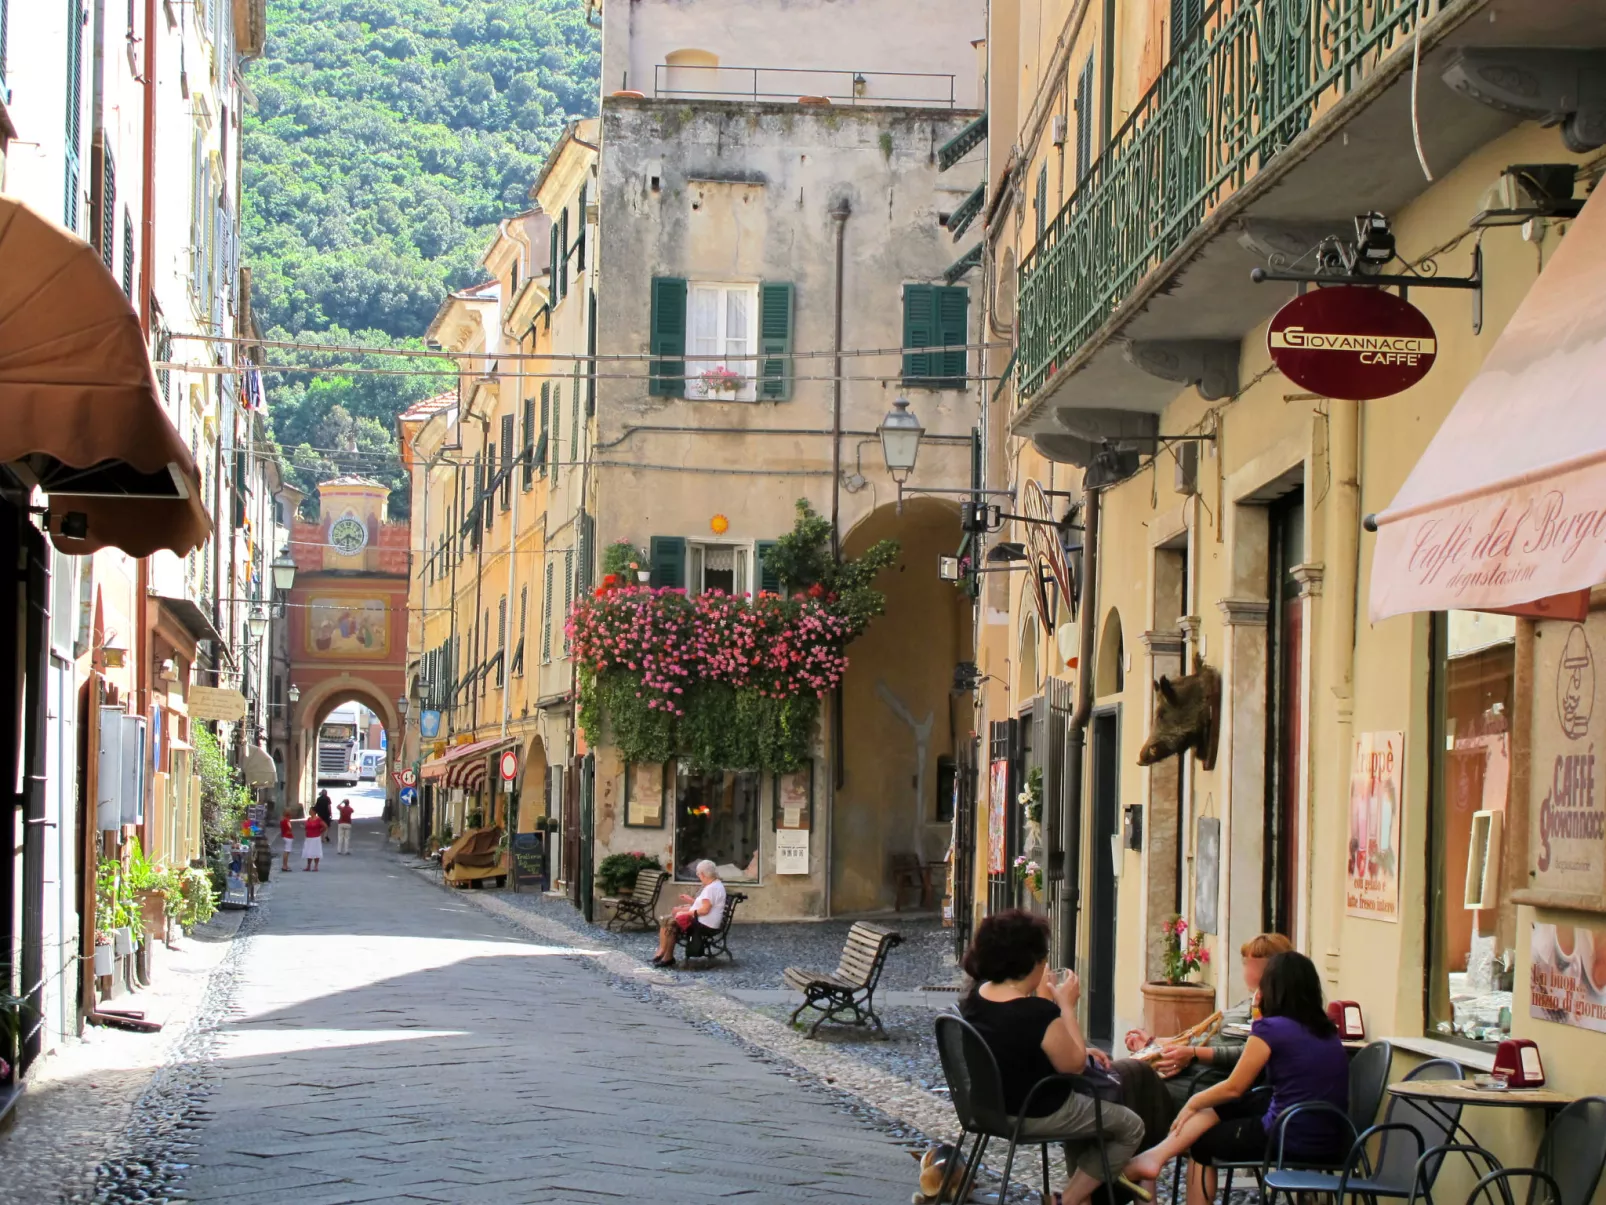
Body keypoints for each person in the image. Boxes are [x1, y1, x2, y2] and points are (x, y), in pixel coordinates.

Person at [1122, 952, 1350, 1205]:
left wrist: (1193, 1102)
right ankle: (1154, 1157)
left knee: (1202, 1143)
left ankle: (1153, 1160)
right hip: (1333, 1134)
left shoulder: (1271, 1029)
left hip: (1290, 1134)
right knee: (1233, 1105)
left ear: (1271, 989)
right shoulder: (1327, 1031)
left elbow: (1234, 1087)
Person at [958, 910, 1147, 1205]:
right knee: (1130, 1126)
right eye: (1044, 959)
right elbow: (1073, 1066)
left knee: (1088, 1113)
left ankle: (1082, 1197)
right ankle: (1068, 1200)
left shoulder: (977, 996)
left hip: (987, 1108)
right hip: (1032, 1112)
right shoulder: (1035, 1013)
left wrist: (1077, 1045)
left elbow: (1023, 1046)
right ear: (1031, 962)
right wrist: (1066, 1006)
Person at [1124, 933, 1294, 1105]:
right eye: (1245, 962)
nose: (1245, 969)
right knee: (1125, 1074)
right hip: (1195, 1072)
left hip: (1207, 1080)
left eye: (1250, 963)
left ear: (1272, 968)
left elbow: (1249, 1051)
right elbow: (1198, 1037)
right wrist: (1154, 1044)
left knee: (1129, 1081)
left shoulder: (1271, 1009)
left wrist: (1194, 1055)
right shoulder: (1250, 1001)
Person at [653, 860, 724, 967]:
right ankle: (663, 951)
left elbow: (705, 910)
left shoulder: (710, 889)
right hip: (706, 921)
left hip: (704, 924)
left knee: (671, 924)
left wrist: (686, 913)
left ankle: (668, 957)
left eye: (698, 874)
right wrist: (690, 903)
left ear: (703, 874)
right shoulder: (716, 885)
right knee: (667, 919)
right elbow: (704, 905)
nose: (698, 877)